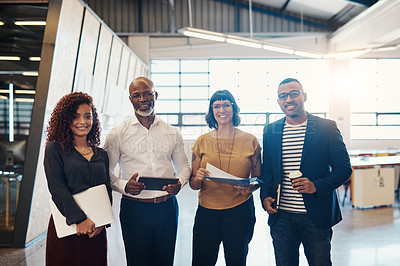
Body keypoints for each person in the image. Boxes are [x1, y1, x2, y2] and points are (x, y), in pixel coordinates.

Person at [260, 78, 352, 266]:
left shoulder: (326, 127)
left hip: (316, 216)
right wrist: (265, 196)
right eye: (282, 96)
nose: (288, 100)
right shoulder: (271, 130)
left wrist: (316, 186)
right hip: (281, 217)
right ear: (278, 101)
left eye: (294, 93)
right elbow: (267, 171)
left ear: (304, 96)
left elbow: (344, 169)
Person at [104, 77, 190, 266]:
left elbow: (184, 167)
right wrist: (124, 185)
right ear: (130, 99)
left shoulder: (172, 132)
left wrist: (180, 183)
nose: (142, 99)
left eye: (147, 93)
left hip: (167, 208)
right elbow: (105, 173)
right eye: (137, 95)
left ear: (155, 95)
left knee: (165, 261)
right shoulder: (117, 134)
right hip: (134, 210)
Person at [190, 90, 261, 266]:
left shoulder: (250, 140)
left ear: (233, 108)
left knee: (236, 260)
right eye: (217, 106)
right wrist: (198, 178)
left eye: (226, 104)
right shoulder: (202, 141)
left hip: (240, 211)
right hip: (207, 212)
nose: (222, 109)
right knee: (202, 261)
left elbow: (258, 178)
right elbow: (193, 184)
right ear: (212, 111)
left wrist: (250, 187)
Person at [44, 92, 112, 266]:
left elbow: (106, 190)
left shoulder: (101, 154)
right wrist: (79, 219)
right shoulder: (55, 149)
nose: (83, 122)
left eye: (87, 116)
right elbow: (57, 188)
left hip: (96, 229)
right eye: (76, 117)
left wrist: (103, 222)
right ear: (66, 120)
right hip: (68, 226)